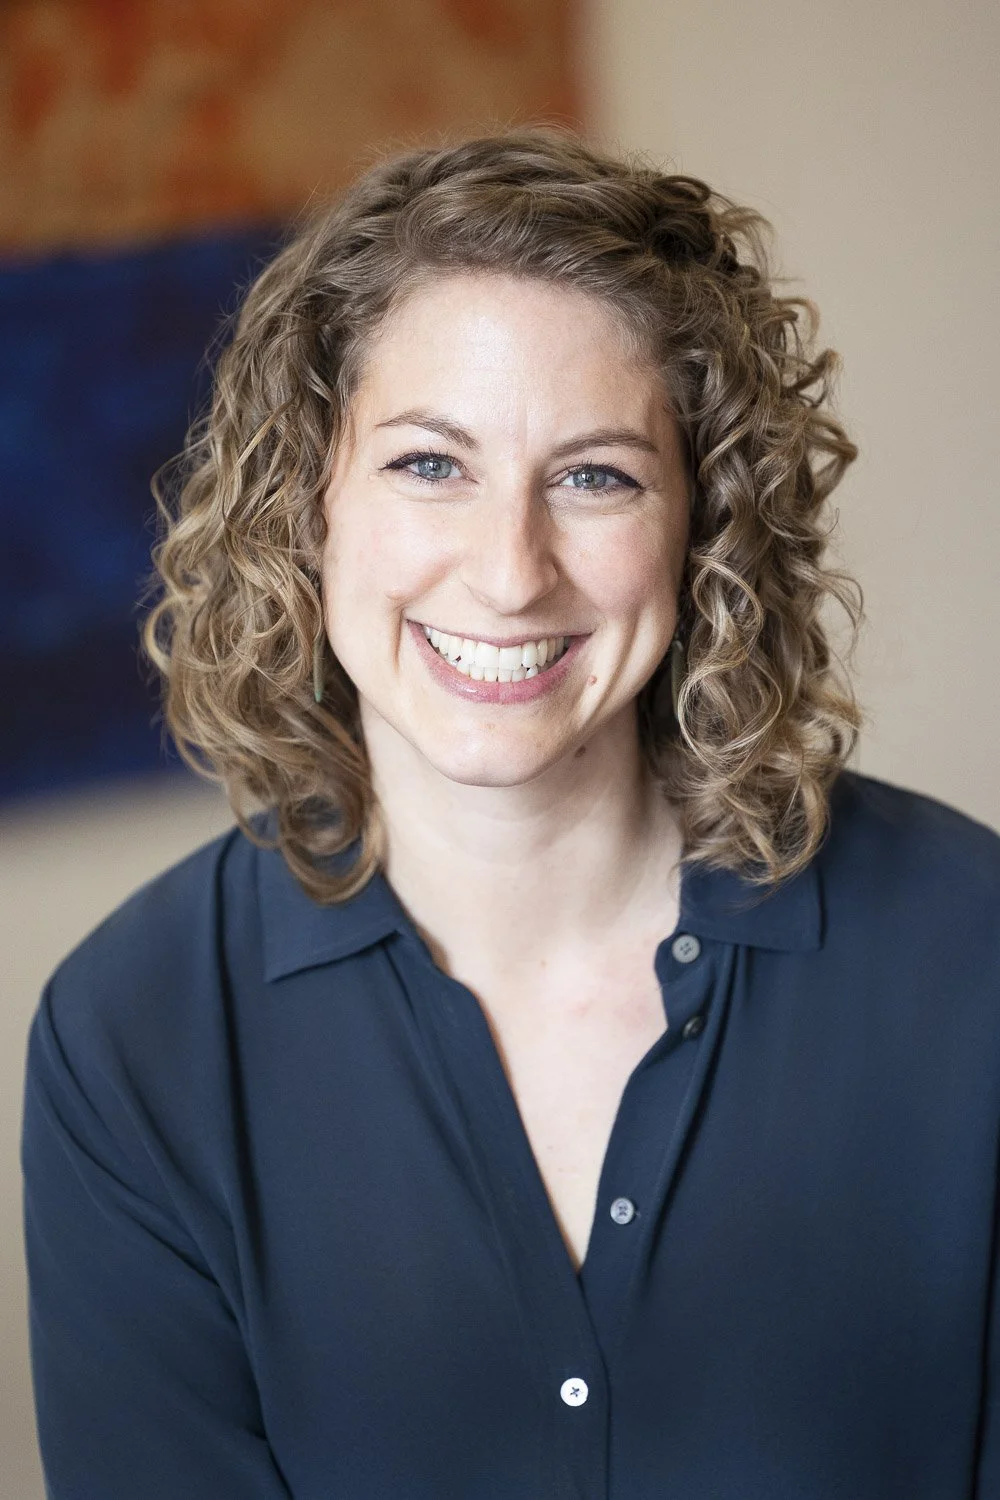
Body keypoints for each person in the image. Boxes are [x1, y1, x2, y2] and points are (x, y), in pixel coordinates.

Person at [20, 128, 1000, 1500]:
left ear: (703, 523)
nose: (510, 571)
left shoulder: (969, 952)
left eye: (596, 475)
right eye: (431, 464)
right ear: (308, 500)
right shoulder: (132, 1043)